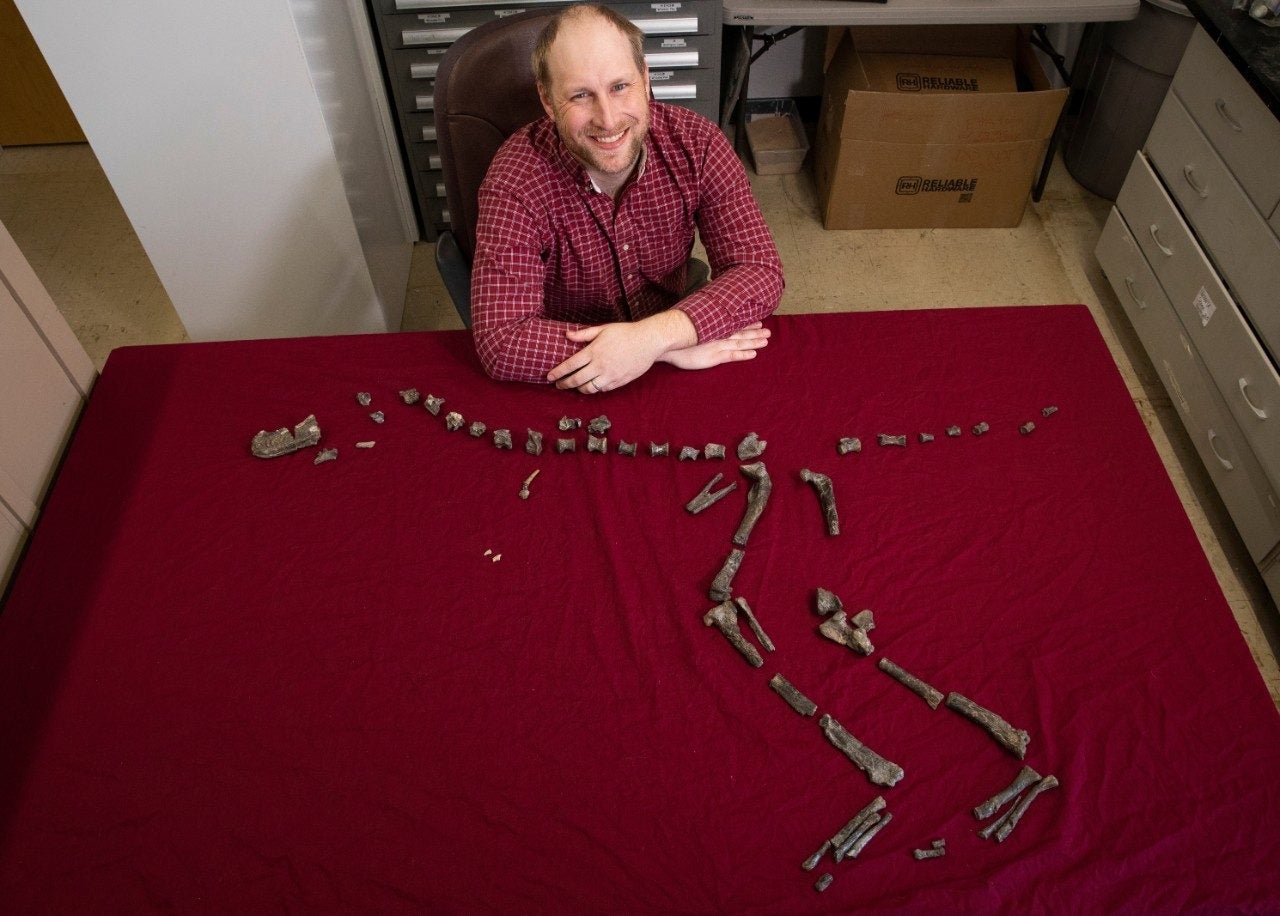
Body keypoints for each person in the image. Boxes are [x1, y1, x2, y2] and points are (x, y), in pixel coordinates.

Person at [470, 3, 784, 394]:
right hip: (578, 368)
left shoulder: (699, 144)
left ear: (645, 78)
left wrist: (652, 339)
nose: (608, 118)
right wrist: (660, 349)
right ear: (548, 101)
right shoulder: (515, 178)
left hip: (666, 325)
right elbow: (501, 341)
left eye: (620, 87)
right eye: (581, 95)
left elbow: (759, 269)